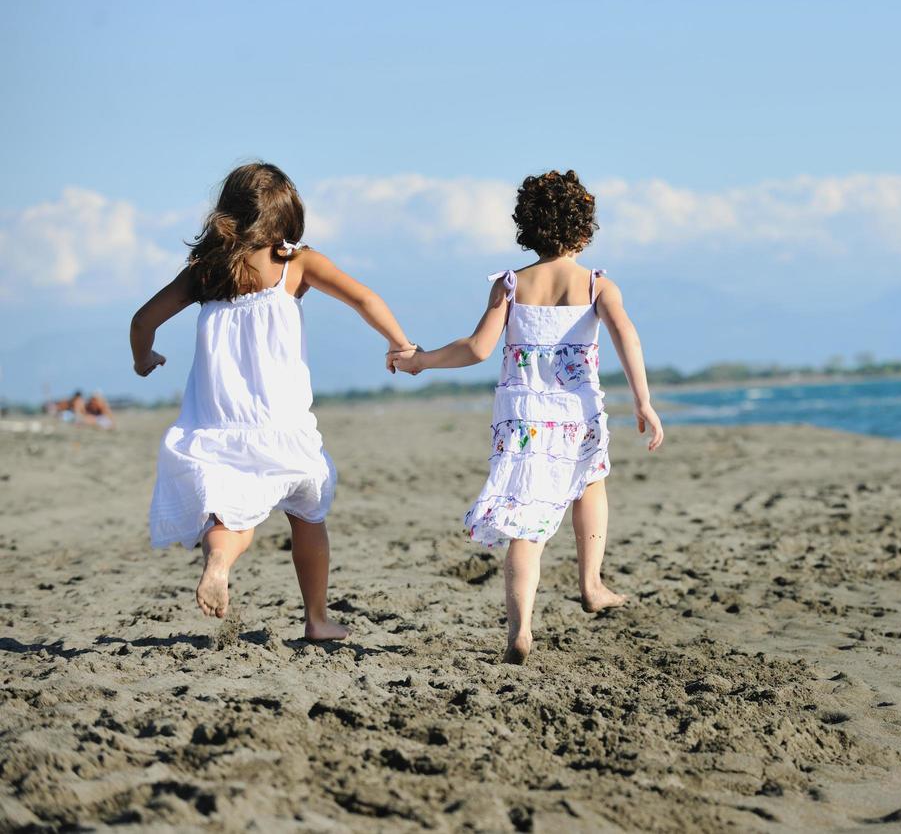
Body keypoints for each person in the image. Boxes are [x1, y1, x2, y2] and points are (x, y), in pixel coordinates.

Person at [129, 162, 415, 641]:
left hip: (218, 421)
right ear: (283, 218)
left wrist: (144, 360)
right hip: (282, 422)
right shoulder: (295, 265)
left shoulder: (204, 274)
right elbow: (364, 299)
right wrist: (399, 344)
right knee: (308, 515)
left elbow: (142, 321)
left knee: (229, 512)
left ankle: (219, 563)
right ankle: (317, 618)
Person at [393, 169, 664, 663]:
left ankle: (520, 631)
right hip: (576, 413)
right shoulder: (597, 284)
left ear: (527, 230)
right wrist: (642, 400)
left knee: (525, 519)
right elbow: (627, 335)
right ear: (585, 231)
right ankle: (591, 583)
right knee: (590, 484)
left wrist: (422, 359)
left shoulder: (510, 283)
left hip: (520, 416)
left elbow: (477, 349)